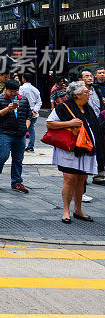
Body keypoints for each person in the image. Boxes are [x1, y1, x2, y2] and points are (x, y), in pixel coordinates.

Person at [46, 81, 101, 223]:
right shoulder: (63, 108)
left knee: (81, 179)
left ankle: (78, 210)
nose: (88, 94)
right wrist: (70, 123)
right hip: (69, 150)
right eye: (85, 92)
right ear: (77, 95)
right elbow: (50, 123)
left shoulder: (88, 108)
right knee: (70, 178)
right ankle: (66, 211)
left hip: (86, 149)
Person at [0, 79, 31, 192]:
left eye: (16, 91)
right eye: (11, 91)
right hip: (5, 133)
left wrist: (26, 127)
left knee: (18, 159)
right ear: (6, 89)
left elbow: (29, 115)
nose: (14, 93)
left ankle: (17, 182)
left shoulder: (23, 99)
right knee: (3, 156)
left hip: (20, 133)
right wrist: (8, 109)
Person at [19, 73, 42, 153]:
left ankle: (22, 146)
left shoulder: (21, 88)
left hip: (24, 111)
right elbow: (39, 102)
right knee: (31, 129)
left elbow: (20, 100)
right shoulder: (35, 89)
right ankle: (31, 146)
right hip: (33, 112)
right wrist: (34, 110)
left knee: (22, 129)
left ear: (24, 79)